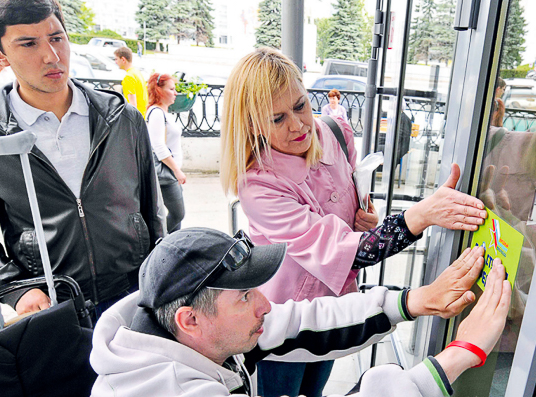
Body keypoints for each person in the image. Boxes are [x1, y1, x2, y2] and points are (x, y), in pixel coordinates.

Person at [220, 47, 488, 397]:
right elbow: (349, 252)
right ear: (252, 123)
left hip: (338, 305)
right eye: (277, 118)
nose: (299, 125)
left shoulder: (334, 131)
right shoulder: (258, 185)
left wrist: (363, 216)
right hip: (281, 321)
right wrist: (423, 215)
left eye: (300, 105)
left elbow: (351, 201)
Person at [90, 227, 512, 397]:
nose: (265, 304)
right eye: (244, 297)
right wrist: (460, 354)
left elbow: (303, 321)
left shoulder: (188, 332)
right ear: (191, 320)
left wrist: (411, 301)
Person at [0, 0, 164, 321]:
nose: (52, 56)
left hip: (132, 295)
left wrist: (161, 279)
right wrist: (15, 288)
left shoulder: (122, 117)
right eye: (28, 43)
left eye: (56, 37)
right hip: (53, 306)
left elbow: (152, 210)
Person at [146, 73, 186, 233]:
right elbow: (158, 146)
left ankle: (173, 250)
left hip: (170, 173)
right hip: (167, 173)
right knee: (178, 214)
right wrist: (177, 171)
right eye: (171, 89)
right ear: (159, 90)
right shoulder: (156, 113)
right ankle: (157, 244)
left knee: (176, 217)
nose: (175, 93)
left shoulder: (163, 113)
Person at [114, 46, 149, 118]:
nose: (115, 62)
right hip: (143, 115)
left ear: (123, 59)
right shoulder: (137, 73)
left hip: (136, 119)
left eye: (116, 59)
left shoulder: (129, 77)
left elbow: (132, 105)